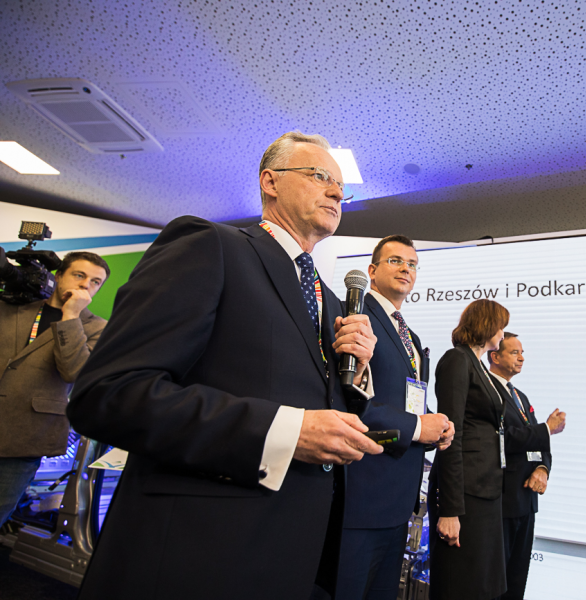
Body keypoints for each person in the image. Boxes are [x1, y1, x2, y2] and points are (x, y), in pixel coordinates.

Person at [66, 131, 384, 600]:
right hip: (198, 552)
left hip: (290, 555)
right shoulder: (208, 245)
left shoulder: (331, 301)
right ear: (270, 182)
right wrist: (284, 432)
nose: (337, 192)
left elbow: (322, 410)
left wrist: (358, 373)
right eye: (321, 176)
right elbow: (108, 393)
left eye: (342, 187)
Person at [335, 235, 454, 600]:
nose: (406, 269)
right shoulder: (355, 318)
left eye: (412, 264)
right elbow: (346, 401)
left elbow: (404, 402)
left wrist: (434, 424)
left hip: (399, 504)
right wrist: (418, 428)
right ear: (372, 271)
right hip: (360, 497)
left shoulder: (410, 337)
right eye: (396, 261)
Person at [0, 252, 109, 527]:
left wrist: (71, 315)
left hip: (25, 437)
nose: (85, 284)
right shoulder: (13, 306)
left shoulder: (98, 328)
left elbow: (74, 371)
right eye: (79, 275)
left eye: (95, 282)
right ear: (58, 276)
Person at [428, 298, 510, 600]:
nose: (503, 334)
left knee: (483, 587)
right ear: (487, 325)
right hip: (465, 496)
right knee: (462, 585)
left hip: (484, 492)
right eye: (501, 326)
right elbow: (452, 435)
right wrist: (450, 510)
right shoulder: (457, 359)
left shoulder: (478, 365)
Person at [487, 333, 566, 600]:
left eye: (522, 353)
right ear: (495, 356)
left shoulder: (520, 396)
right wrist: (546, 429)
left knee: (516, 581)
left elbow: (539, 443)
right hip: (501, 502)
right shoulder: (487, 391)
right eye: (514, 352)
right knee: (495, 584)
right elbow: (502, 439)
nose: (521, 358)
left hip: (526, 502)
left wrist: (543, 469)